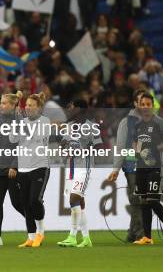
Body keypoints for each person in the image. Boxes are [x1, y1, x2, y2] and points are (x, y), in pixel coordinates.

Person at [56, 100, 102, 248]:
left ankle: (72, 236)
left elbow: (99, 146)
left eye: (71, 106)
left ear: (80, 108)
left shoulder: (90, 126)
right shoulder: (68, 125)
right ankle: (86, 238)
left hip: (84, 166)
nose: (68, 108)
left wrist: (84, 149)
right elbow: (63, 144)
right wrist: (63, 144)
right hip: (71, 167)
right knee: (79, 202)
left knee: (73, 199)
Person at [131, 93, 163, 245]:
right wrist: (138, 150)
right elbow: (135, 143)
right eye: (142, 104)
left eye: (148, 104)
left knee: (152, 200)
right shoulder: (137, 125)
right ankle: (148, 237)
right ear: (139, 106)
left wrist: (156, 149)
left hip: (155, 167)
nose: (145, 107)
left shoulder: (159, 122)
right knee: (144, 202)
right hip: (141, 167)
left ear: (153, 106)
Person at [9, 92, 51, 248]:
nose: (27, 108)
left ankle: (40, 232)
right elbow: (13, 139)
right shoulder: (21, 122)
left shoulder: (44, 121)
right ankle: (31, 236)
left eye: (31, 105)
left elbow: (36, 136)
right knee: (25, 203)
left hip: (40, 166)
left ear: (39, 108)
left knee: (34, 200)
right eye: (26, 105)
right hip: (23, 167)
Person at [0, 92, 27, 246]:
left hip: (12, 168)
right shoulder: (1, 119)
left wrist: (15, 165)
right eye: (1, 102)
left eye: (4, 103)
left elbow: (21, 145)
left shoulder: (18, 120)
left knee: (16, 202)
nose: (1, 106)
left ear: (12, 105)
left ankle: (35, 225)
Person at [107, 89, 147, 242]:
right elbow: (120, 146)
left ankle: (133, 232)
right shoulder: (127, 122)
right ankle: (140, 233)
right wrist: (116, 168)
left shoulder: (153, 120)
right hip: (132, 165)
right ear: (135, 103)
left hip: (149, 166)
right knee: (136, 198)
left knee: (142, 199)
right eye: (140, 101)